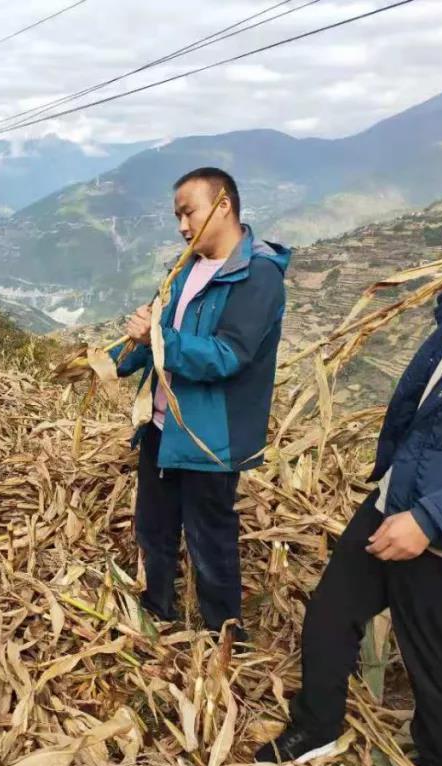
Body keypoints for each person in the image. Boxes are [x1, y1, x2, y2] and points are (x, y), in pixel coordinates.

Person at [257, 161, 442, 766]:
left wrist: (429, 520)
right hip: (400, 497)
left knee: (434, 659)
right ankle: (315, 728)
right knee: (331, 613)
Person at [113, 167, 290, 640]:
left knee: (210, 540)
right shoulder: (185, 268)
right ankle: (157, 614)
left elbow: (228, 355)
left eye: (188, 212)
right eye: (177, 216)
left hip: (208, 437)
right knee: (154, 528)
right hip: (160, 426)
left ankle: (225, 639)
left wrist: (156, 339)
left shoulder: (258, 277)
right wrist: (111, 360)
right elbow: (153, 332)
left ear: (224, 204)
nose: (182, 226)